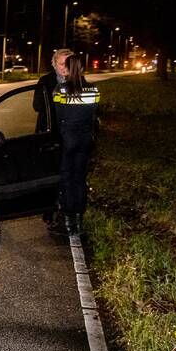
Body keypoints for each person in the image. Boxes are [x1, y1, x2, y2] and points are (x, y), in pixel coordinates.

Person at [48, 52, 100, 237]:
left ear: (68, 69)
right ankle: (79, 217)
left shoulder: (60, 91)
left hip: (67, 141)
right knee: (80, 178)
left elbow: (58, 118)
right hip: (85, 140)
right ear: (83, 68)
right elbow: (94, 116)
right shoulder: (94, 90)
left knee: (67, 179)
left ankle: (69, 221)